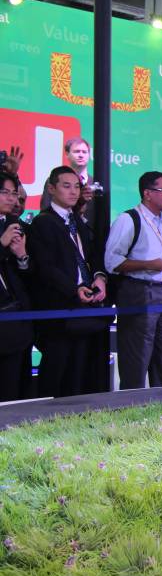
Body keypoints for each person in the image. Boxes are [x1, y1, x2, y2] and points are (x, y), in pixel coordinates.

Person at [26, 167, 109, 397]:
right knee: (57, 371)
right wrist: (74, 289)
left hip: (85, 308)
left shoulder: (77, 221)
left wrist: (99, 278)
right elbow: (45, 267)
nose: (73, 192)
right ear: (52, 189)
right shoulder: (43, 222)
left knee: (81, 371)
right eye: (66, 186)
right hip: (59, 310)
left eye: (77, 187)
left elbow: (92, 255)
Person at [104, 171, 162, 389]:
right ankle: (132, 403)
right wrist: (148, 264)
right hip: (141, 291)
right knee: (137, 357)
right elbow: (112, 262)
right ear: (147, 193)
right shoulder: (129, 219)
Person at [0, 170, 32, 402]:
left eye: (14, 194)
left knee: (15, 386)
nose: (11, 199)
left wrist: (22, 256)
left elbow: (28, 274)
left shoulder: (15, 226)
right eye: (4, 192)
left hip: (17, 319)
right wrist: (1, 243)